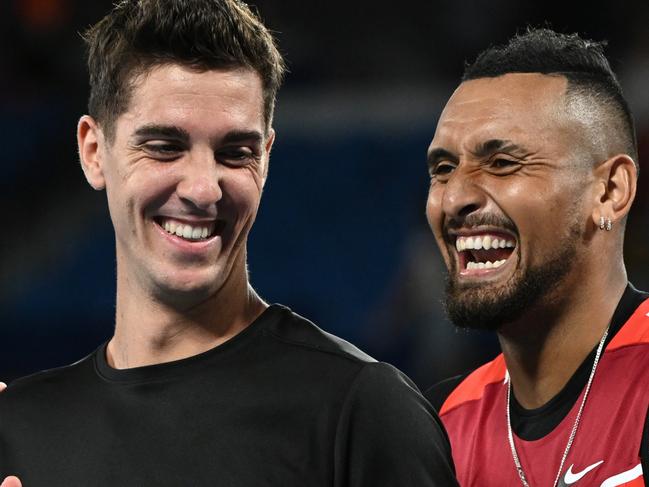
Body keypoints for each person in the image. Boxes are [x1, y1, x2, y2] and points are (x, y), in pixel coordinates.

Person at [0, 1, 458, 485]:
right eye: (164, 147)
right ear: (94, 153)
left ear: (266, 159)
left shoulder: (361, 413)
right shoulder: (19, 429)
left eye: (235, 152)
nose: (203, 189)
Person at [424, 27, 648, 486]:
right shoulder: (440, 427)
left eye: (503, 163)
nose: (455, 198)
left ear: (609, 191)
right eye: (443, 169)